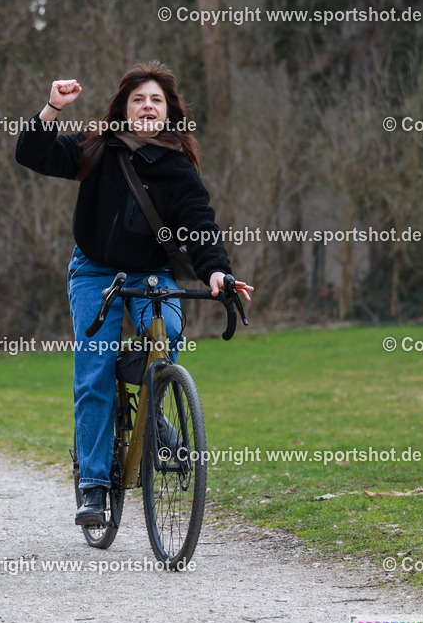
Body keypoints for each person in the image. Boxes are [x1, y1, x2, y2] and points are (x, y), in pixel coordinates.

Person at [14, 61, 253, 526]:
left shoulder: (178, 167)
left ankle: (153, 409)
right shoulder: (97, 147)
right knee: (95, 372)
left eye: (155, 100)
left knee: (169, 335)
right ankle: (94, 485)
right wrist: (52, 108)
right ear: (124, 108)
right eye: (138, 99)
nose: (147, 106)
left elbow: (201, 225)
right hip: (93, 271)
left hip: (151, 274)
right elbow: (31, 153)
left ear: (168, 112)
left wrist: (217, 273)